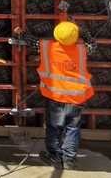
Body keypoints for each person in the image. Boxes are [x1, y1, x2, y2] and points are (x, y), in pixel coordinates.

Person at [37, 20, 93, 170]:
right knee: (72, 129)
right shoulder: (83, 49)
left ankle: (54, 156)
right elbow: (91, 41)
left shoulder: (47, 48)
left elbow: (30, 42)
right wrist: (81, 31)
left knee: (54, 128)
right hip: (77, 97)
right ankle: (69, 160)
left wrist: (20, 33)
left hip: (55, 97)